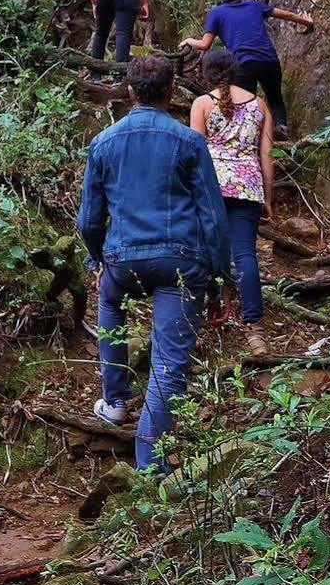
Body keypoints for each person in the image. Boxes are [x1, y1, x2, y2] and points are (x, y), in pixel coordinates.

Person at [76, 54, 227, 471]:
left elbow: (89, 219)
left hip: (123, 258)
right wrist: (217, 277)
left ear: (129, 91)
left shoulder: (103, 142)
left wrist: (98, 258)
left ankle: (115, 400)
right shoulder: (189, 142)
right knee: (167, 361)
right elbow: (212, 217)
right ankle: (150, 466)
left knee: (109, 302)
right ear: (172, 91)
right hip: (180, 259)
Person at [190, 48, 274, 355]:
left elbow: (195, 153)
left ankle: (196, 323)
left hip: (212, 188)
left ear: (207, 73)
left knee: (202, 252)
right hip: (249, 188)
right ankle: (255, 332)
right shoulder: (260, 105)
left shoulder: (202, 104)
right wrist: (267, 197)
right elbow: (266, 156)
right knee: (245, 255)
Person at [179, 0, 315, 138]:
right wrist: (307, 22)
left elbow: (204, 44)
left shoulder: (217, 12)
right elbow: (286, 15)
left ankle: (249, 137)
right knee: (275, 98)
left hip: (244, 63)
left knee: (245, 102)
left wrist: (188, 40)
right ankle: (281, 128)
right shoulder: (254, 5)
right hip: (269, 60)